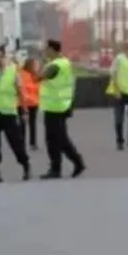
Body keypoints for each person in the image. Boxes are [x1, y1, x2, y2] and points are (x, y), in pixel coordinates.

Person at [37, 39, 86, 179]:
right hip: (59, 105)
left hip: (56, 106)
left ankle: (69, 164)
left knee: (56, 139)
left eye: (46, 49)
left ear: (52, 50)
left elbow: (39, 77)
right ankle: (63, 166)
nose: (45, 51)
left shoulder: (56, 65)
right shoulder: (63, 62)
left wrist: (40, 63)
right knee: (57, 138)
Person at [0, 46, 30, 182]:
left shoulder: (13, 71)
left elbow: (20, 91)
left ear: (4, 57)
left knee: (16, 143)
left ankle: (25, 165)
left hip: (8, 113)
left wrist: (24, 110)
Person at [19, 57, 41, 151]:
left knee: (32, 124)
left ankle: (33, 143)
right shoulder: (22, 74)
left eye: (37, 65)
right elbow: (22, 88)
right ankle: (21, 143)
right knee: (23, 123)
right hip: (23, 103)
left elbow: (39, 88)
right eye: (35, 65)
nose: (37, 67)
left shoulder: (36, 75)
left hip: (34, 103)